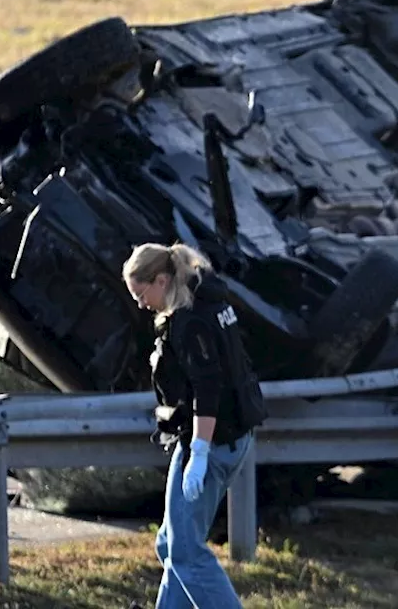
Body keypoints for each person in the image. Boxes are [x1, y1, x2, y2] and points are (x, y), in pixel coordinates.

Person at [123, 242, 268, 609]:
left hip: (211, 442)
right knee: (171, 544)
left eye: (141, 294)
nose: (140, 304)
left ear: (160, 279)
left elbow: (208, 387)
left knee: (186, 552)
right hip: (228, 437)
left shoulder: (189, 322)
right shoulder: (211, 302)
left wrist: (200, 453)